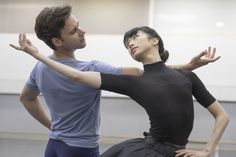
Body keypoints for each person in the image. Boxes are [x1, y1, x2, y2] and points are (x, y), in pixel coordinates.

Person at [10, 4, 222, 157]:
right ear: (57, 40)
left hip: (54, 145)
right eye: (75, 30)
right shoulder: (91, 68)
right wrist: (187, 66)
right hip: (80, 148)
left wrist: (53, 126)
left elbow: (26, 98)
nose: (83, 31)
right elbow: (142, 74)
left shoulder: (40, 68)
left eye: (79, 25)